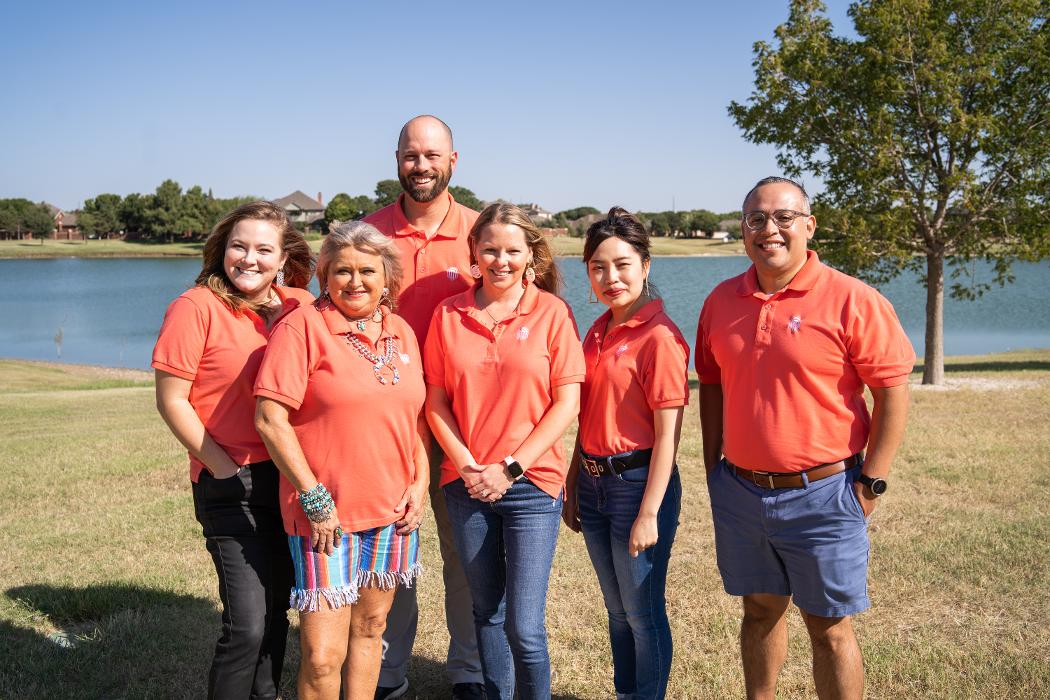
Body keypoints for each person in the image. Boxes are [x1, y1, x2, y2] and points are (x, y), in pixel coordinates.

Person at [696, 177, 914, 700]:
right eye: (756, 219)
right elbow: (711, 386)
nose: (769, 229)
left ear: (808, 225)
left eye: (783, 217)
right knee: (759, 613)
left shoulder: (852, 298)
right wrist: (714, 470)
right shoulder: (722, 300)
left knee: (830, 628)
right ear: (743, 228)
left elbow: (892, 393)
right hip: (742, 492)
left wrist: (872, 483)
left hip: (826, 491)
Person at [253, 221, 429, 700]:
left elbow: (414, 419)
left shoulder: (403, 332)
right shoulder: (302, 327)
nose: (355, 281)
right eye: (342, 271)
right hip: (326, 517)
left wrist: (421, 484)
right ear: (324, 275)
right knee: (322, 655)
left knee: (371, 629)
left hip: (394, 515)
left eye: (367, 271)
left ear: (388, 277)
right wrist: (313, 497)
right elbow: (271, 419)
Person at [153, 200, 314, 700]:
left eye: (264, 249)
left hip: (289, 481)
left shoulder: (299, 307)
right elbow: (172, 400)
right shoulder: (196, 306)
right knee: (246, 624)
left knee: (277, 613)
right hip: (229, 482)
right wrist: (223, 469)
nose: (249, 258)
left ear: (283, 259)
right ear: (221, 249)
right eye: (238, 246)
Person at [423, 203, 585, 700]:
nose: (500, 260)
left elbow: (566, 404)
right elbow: (435, 401)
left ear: (530, 253)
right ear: (473, 253)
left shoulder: (552, 312)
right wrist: (471, 467)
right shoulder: (448, 314)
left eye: (512, 250)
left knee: (525, 625)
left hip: (532, 485)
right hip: (465, 484)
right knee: (485, 612)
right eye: (489, 249)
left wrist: (510, 468)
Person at [363, 114, 485, 700]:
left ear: (453, 161)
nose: (421, 166)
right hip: (387, 425)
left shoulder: (482, 232)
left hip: (465, 424)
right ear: (396, 160)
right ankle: (387, 676)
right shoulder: (367, 234)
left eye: (432, 155)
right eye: (411, 155)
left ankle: (468, 670)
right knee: (395, 551)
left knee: (467, 554)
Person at [562, 207, 688, 700]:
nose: (610, 277)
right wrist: (574, 482)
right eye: (598, 267)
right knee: (616, 610)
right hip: (593, 486)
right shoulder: (595, 332)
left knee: (641, 611)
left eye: (622, 265)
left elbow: (669, 436)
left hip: (637, 487)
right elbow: (586, 416)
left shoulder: (660, 337)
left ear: (645, 266)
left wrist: (650, 512)